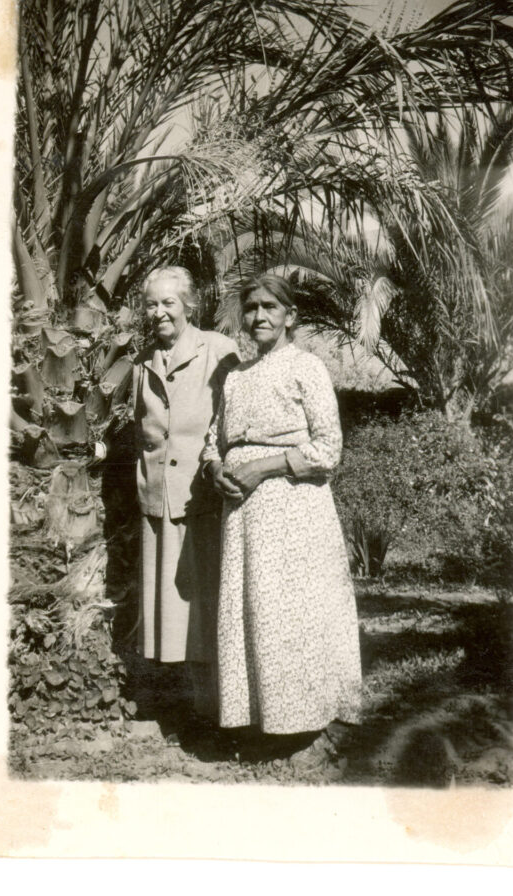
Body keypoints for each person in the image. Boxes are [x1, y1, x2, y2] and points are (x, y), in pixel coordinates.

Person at [202, 274, 362, 752]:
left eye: (271, 307)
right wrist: (214, 468)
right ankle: (260, 721)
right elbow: (216, 437)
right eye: (251, 308)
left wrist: (264, 468)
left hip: (294, 509)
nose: (260, 317)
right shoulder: (233, 376)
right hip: (243, 514)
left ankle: (306, 725)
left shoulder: (307, 369)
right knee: (252, 611)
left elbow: (328, 449)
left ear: (290, 317)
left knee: (292, 613)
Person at [132, 266, 239, 727]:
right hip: (158, 499)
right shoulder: (141, 362)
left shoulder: (218, 349)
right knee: (173, 611)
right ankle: (193, 708)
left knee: (206, 604)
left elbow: (237, 419)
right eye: (152, 304)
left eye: (168, 303)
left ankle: (218, 709)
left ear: (189, 305)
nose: (159, 313)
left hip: (203, 499)